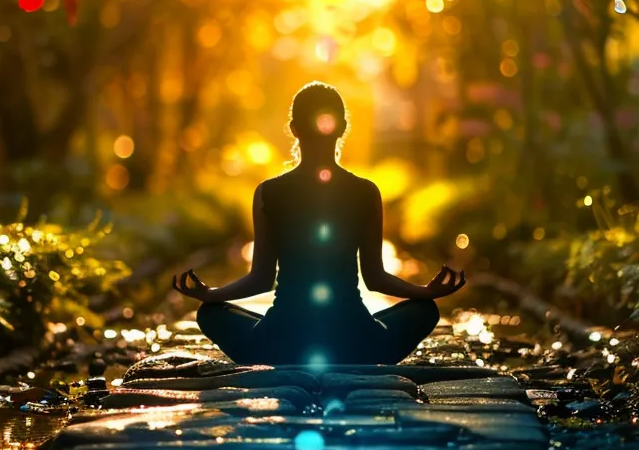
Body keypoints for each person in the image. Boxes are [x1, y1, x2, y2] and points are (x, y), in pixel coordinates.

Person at [171, 82, 467, 366]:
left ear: (294, 129)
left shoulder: (267, 192)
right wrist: (426, 293)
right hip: (356, 340)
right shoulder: (366, 192)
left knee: (209, 314)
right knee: (424, 311)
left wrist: (210, 295)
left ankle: (277, 349)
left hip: (280, 340)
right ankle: (360, 351)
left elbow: (260, 278)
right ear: (341, 128)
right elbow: (375, 278)